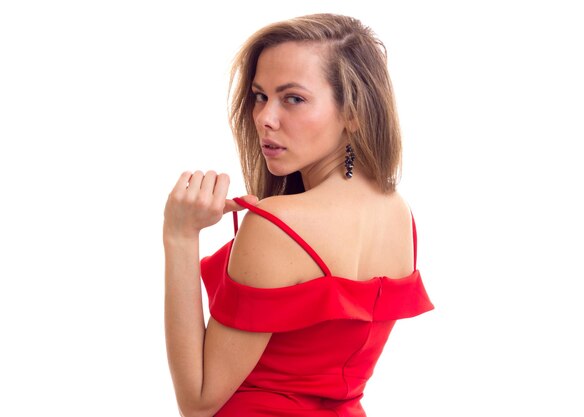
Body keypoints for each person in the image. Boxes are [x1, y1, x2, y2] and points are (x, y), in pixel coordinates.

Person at [163, 13, 434, 417]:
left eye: (293, 98)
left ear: (353, 112)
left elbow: (198, 402)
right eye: (259, 95)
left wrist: (180, 237)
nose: (264, 118)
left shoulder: (277, 225)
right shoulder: (398, 213)